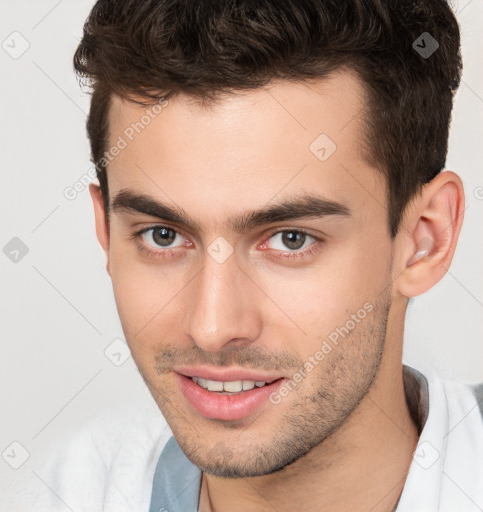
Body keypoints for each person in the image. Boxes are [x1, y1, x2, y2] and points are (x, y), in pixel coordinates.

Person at [39, 0, 483, 511]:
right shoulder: (65, 492)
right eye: (162, 235)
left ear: (425, 240)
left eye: (290, 239)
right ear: (106, 232)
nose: (212, 326)